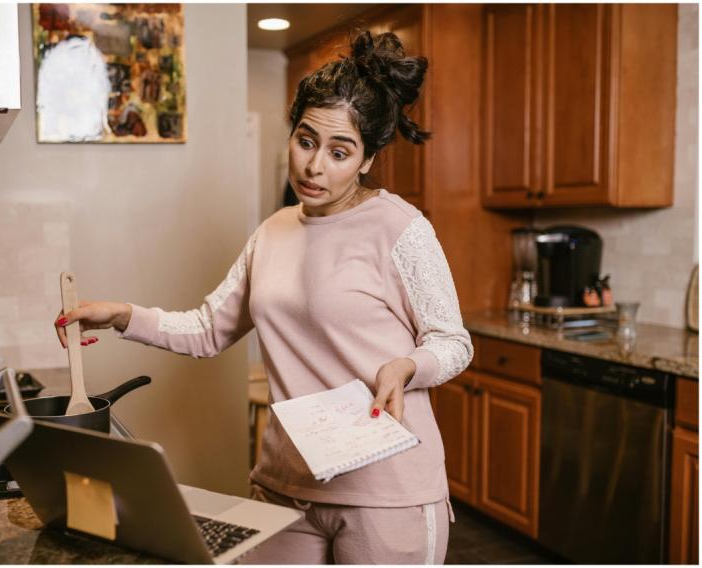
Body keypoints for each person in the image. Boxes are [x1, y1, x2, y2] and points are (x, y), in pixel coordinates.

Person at [54, 29, 473, 565]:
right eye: (305, 140)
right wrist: (123, 316)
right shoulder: (273, 232)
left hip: (387, 494)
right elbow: (209, 328)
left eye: (339, 151)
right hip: (286, 484)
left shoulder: (401, 229)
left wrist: (407, 367)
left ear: (367, 159)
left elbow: (452, 341)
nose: (315, 165)